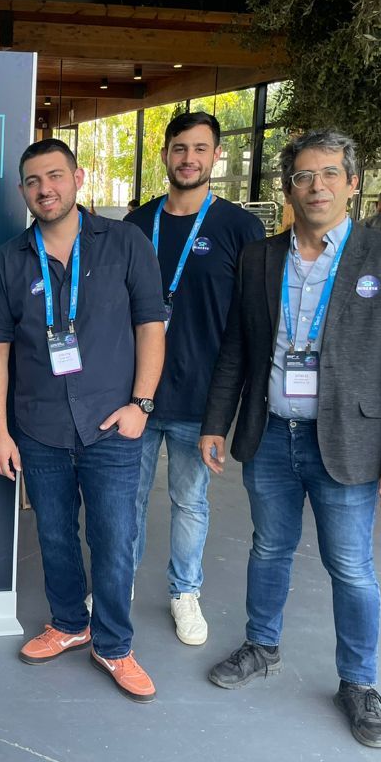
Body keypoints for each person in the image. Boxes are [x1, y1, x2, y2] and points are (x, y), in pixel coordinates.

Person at [200, 129, 381, 748]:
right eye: (304, 175)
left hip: (349, 441)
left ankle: (359, 683)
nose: (317, 186)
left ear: (353, 183)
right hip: (272, 433)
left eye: (330, 173)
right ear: (288, 187)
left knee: (351, 566)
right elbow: (236, 348)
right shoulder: (259, 257)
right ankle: (261, 645)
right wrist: (216, 422)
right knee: (268, 548)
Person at [0, 139, 166, 703]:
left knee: (114, 539)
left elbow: (151, 327)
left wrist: (141, 406)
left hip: (111, 425)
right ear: (23, 191)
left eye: (56, 176)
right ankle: (68, 623)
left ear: (78, 178)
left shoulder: (126, 243)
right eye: (34, 181)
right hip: (39, 427)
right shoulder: (9, 261)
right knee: (55, 535)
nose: (46, 189)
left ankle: (114, 645)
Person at [124, 111, 265, 645]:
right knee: (126, 500)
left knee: (190, 501)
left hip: (201, 396)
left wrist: (232, 405)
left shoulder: (240, 228)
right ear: (165, 154)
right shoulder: (136, 224)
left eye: (200, 149)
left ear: (216, 156)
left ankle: (185, 592)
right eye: (180, 148)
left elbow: (249, 320)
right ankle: (117, 585)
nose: (189, 159)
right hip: (134, 394)